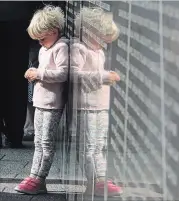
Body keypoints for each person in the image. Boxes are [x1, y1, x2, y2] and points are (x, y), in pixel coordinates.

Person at [14, 5, 68, 194]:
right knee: (38, 141)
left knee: (46, 142)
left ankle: (39, 177)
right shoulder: (46, 48)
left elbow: (62, 73)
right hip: (40, 101)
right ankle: (34, 175)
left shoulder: (61, 46)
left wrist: (39, 73)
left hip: (52, 103)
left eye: (42, 38)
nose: (41, 43)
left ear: (54, 31)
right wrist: (34, 73)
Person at [70, 7, 122, 196]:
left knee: (99, 144)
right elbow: (75, 74)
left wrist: (105, 77)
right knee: (90, 146)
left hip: (100, 104)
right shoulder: (78, 48)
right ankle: (95, 180)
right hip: (87, 106)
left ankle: (100, 179)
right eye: (101, 39)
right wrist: (104, 76)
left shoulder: (97, 51)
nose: (102, 45)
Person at [0, 2, 41, 148]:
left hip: (18, 19)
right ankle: (15, 134)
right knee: (17, 82)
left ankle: (13, 134)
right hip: (19, 20)